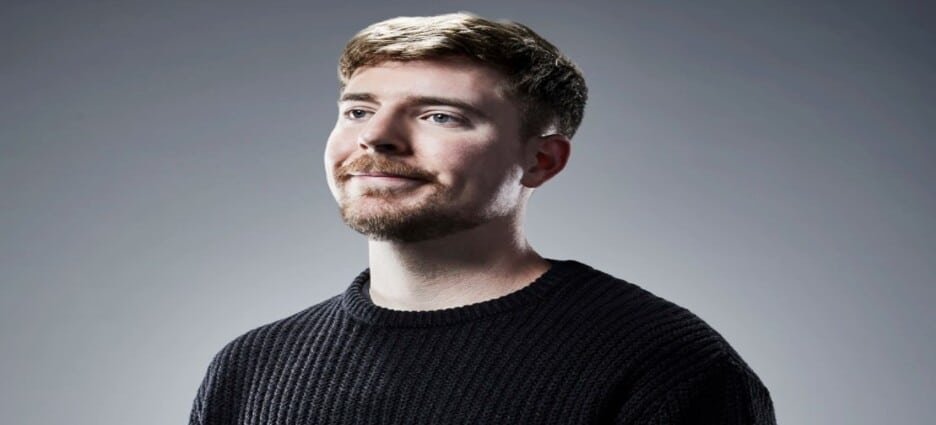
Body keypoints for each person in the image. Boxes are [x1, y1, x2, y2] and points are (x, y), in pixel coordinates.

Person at [189, 12, 775, 424]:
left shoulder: (662, 364)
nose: (378, 137)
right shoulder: (252, 365)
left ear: (541, 160)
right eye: (359, 110)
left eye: (440, 116)